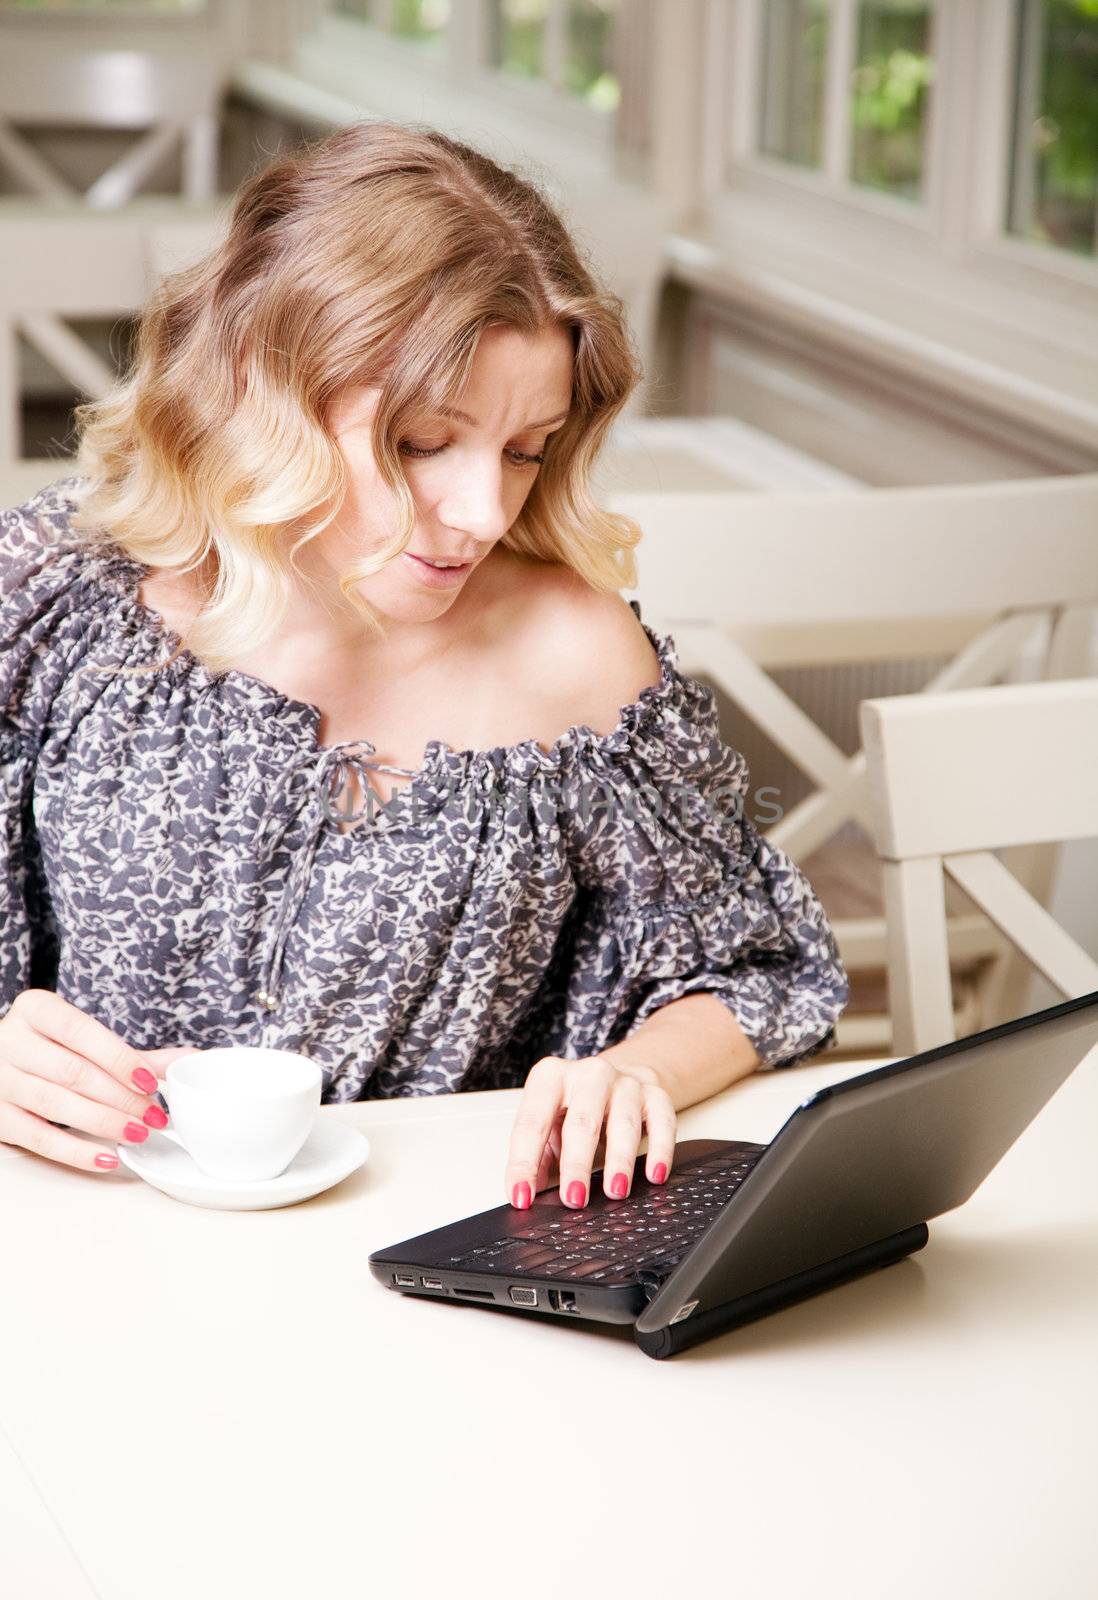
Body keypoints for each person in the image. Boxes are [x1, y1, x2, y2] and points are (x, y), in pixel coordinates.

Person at [0, 119, 848, 1209]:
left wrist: (639, 1067)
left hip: (420, 1275)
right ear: (268, 383)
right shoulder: (63, 599)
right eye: (421, 442)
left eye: (526, 449)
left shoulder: (574, 660)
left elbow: (759, 968)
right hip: (82, 1250)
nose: (482, 511)